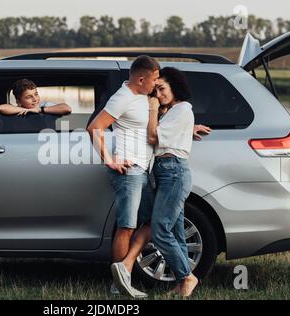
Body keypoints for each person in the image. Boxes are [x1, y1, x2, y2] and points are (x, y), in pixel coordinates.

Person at [114, 67, 203, 297]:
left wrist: (153, 108)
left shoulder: (182, 109)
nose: (158, 94)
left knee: (161, 230)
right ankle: (182, 284)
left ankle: (187, 276)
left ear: (175, 87)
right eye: (155, 89)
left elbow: (153, 137)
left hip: (174, 172)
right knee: (176, 231)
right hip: (163, 172)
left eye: (162, 89)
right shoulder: (173, 111)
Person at [87, 55, 160, 298]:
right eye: (154, 79)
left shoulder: (141, 96)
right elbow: (95, 127)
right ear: (141, 79)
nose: (157, 84)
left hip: (144, 170)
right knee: (126, 226)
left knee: (152, 220)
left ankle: (126, 267)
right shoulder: (123, 98)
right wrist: (108, 158)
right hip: (129, 171)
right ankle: (118, 288)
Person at [0, 79, 71, 116]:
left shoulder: (45, 105)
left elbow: (67, 109)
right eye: (29, 97)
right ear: (18, 101)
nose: (35, 99)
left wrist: (40, 110)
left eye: (36, 94)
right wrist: (26, 110)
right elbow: (2, 108)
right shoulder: (16, 109)